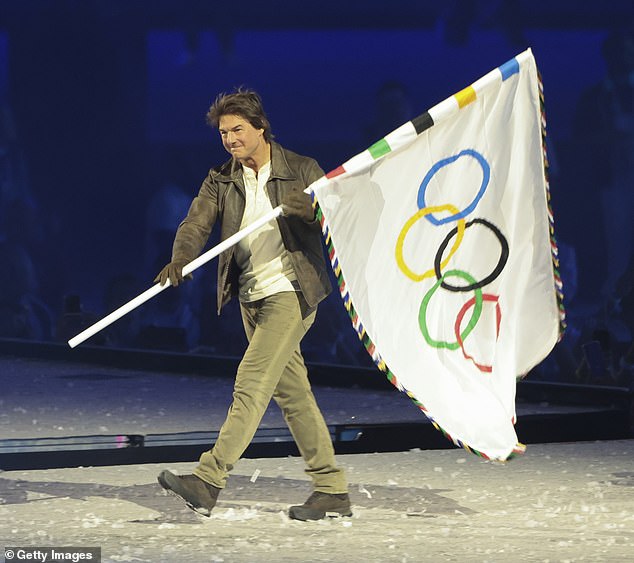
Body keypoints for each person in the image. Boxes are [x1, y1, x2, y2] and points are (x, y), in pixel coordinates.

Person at [154, 88, 351, 521]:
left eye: (237, 130)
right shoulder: (220, 178)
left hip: (292, 291)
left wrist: (311, 209)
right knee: (293, 394)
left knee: (252, 378)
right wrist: (181, 259)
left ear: (261, 127)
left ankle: (209, 479)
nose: (230, 139)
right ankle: (332, 489)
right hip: (251, 297)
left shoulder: (300, 168)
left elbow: (338, 215)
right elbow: (196, 222)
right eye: (223, 133)